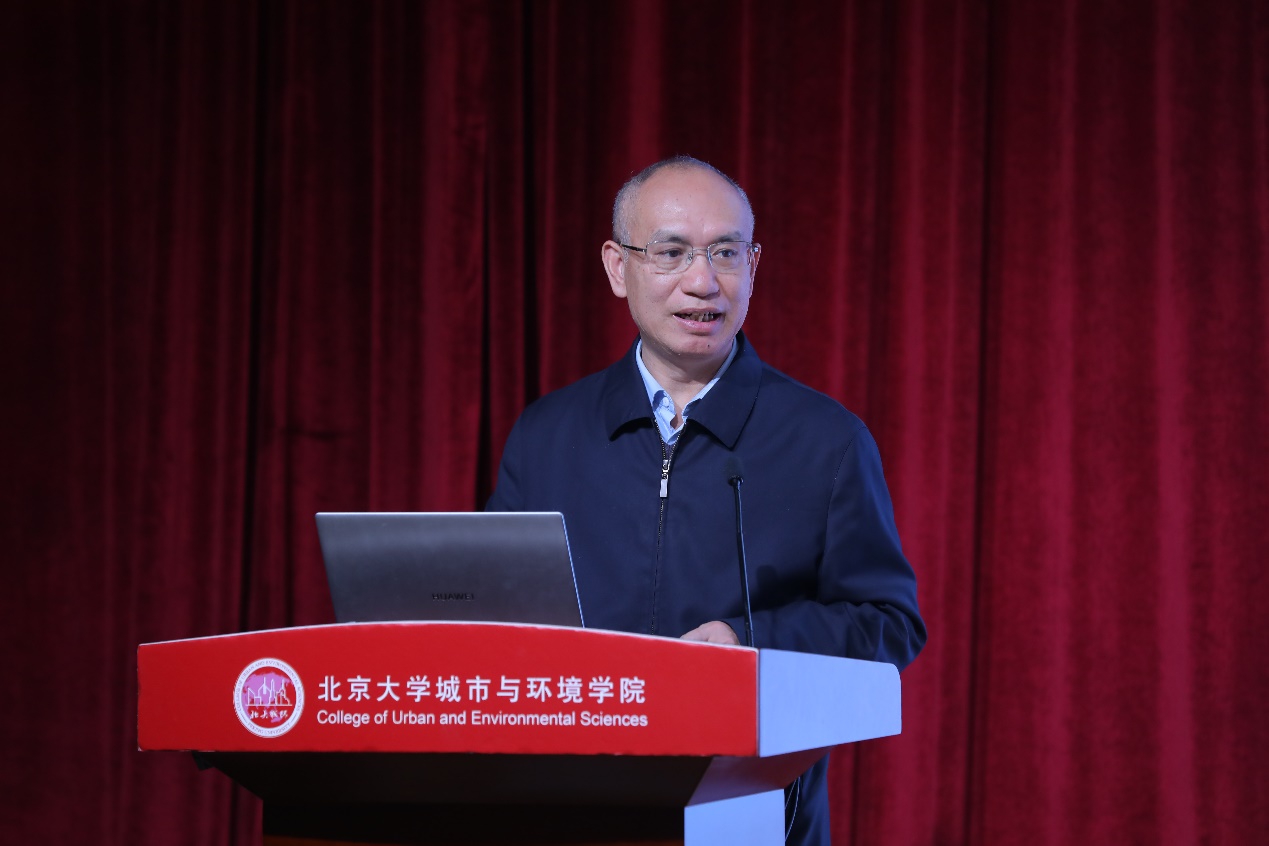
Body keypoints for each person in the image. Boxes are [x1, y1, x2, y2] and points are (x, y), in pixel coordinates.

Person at [487, 156, 925, 845]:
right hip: (566, 807)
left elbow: (888, 624)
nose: (703, 281)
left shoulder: (825, 440)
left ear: (754, 265)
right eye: (670, 253)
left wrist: (747, 644)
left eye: (726, 252)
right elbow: (491, 616)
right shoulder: (548, 433)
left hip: (749, 815)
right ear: (617, 267)